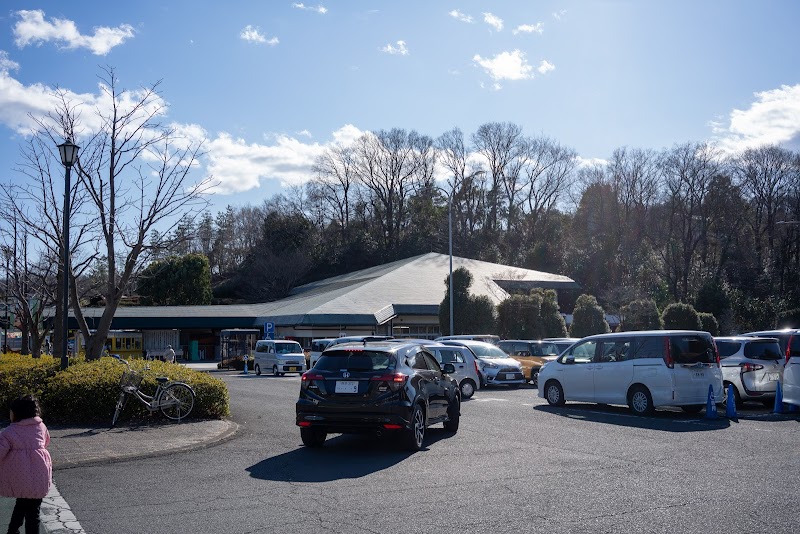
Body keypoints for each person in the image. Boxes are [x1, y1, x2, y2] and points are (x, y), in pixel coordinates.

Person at [0, 394, 52, 534]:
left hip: (20, 477)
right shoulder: (41, 426)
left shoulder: (9, 432)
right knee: (33, 513)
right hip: (38, 477)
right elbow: (46, 441)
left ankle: (12, 530)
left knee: (21, 504)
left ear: (16, 413)